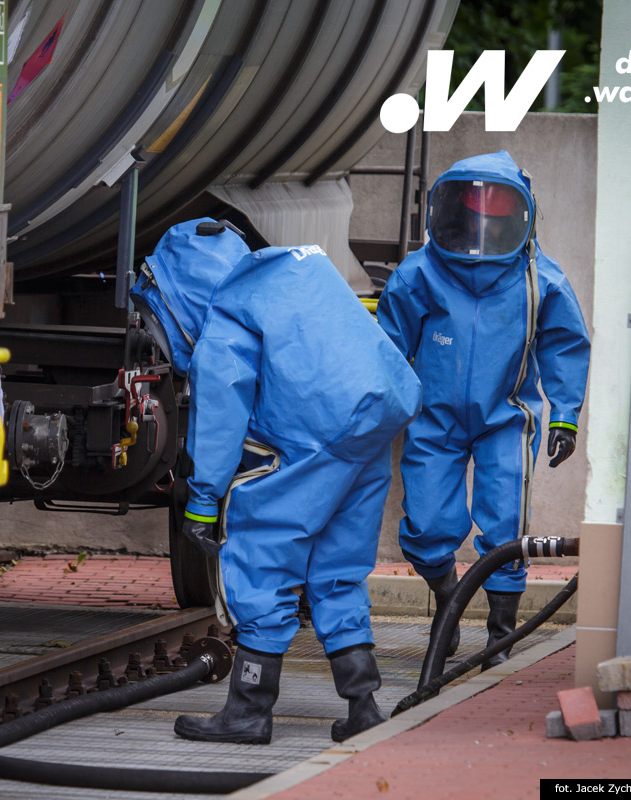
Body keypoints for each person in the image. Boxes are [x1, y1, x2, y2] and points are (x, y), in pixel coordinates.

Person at [131, 219, 422, 744]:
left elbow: (220, 416)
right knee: (337, 570)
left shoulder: (228, 312)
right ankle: (363, 706)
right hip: (371, 430)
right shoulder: (296, 270)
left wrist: (202, 501)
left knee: (262, 554)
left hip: (315, 439)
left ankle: (247, 710)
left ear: (179, 292)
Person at [376, 151, 590, 668]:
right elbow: (386, 349)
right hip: (434, 418)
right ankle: (448, 608)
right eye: (468, 213)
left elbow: (563, 346)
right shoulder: (419, 273)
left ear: (521, 217)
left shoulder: (540, 278)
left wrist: (564, 414)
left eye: (493, 216)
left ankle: (500, 633)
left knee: (505, 525)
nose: (478, 229)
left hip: (505, 420)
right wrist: (374, 411)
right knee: (426, 523)